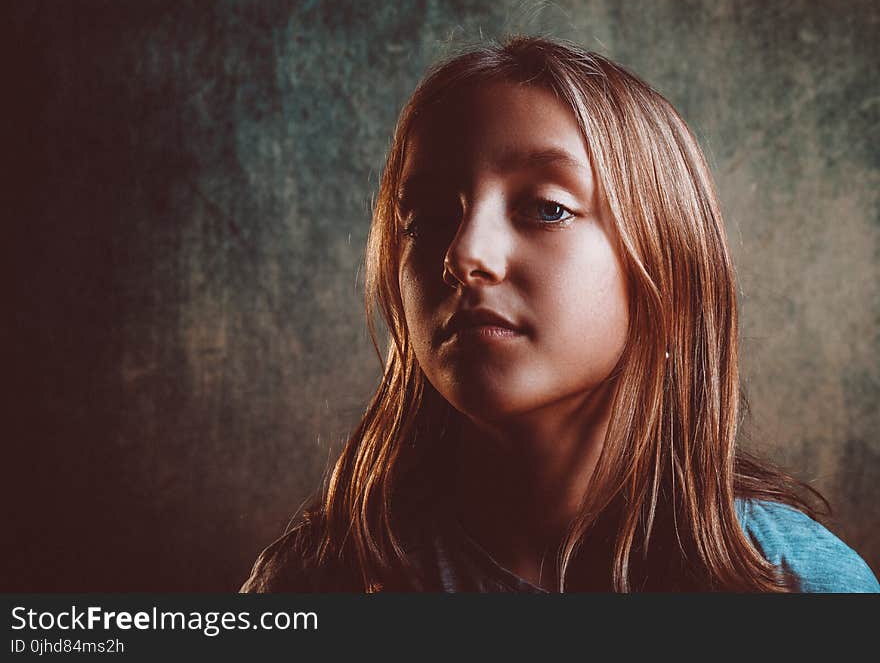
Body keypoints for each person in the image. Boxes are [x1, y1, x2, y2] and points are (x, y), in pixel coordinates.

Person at [241, 36, 879, 593]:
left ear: (667, 266)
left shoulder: (798, 588)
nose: (463, 255)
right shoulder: (318, 585)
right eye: (428, 220)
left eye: (546, 208)